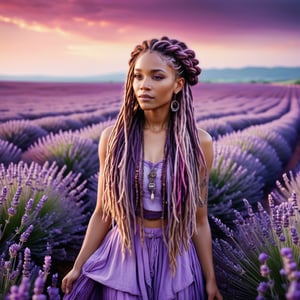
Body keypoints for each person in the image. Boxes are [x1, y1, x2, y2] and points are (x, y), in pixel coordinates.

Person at [61, 36, 222, 300]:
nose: (143, 86)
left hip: (176, 258)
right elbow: (103, 212)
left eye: (157, 77)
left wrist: (211, 279)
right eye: (138, 76)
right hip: (124, 253)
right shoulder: (113, 138)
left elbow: (199, 220)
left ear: (178, 85)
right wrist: (78, 265)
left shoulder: (198, 143)